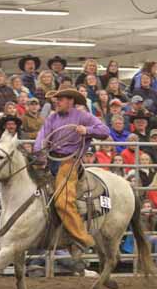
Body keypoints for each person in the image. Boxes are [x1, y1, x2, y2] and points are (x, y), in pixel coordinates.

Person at [34, 88, 110, 247]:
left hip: (69, 162)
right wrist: (39, 152)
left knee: (63, 201)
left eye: (60, 100)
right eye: (56, 100)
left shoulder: (83, 116)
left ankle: (83, 238)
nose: (56, 102)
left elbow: (104, 131)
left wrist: (87, 130)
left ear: (70, 101)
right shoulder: (52, 118)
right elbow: (42, 136)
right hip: (50, 159)